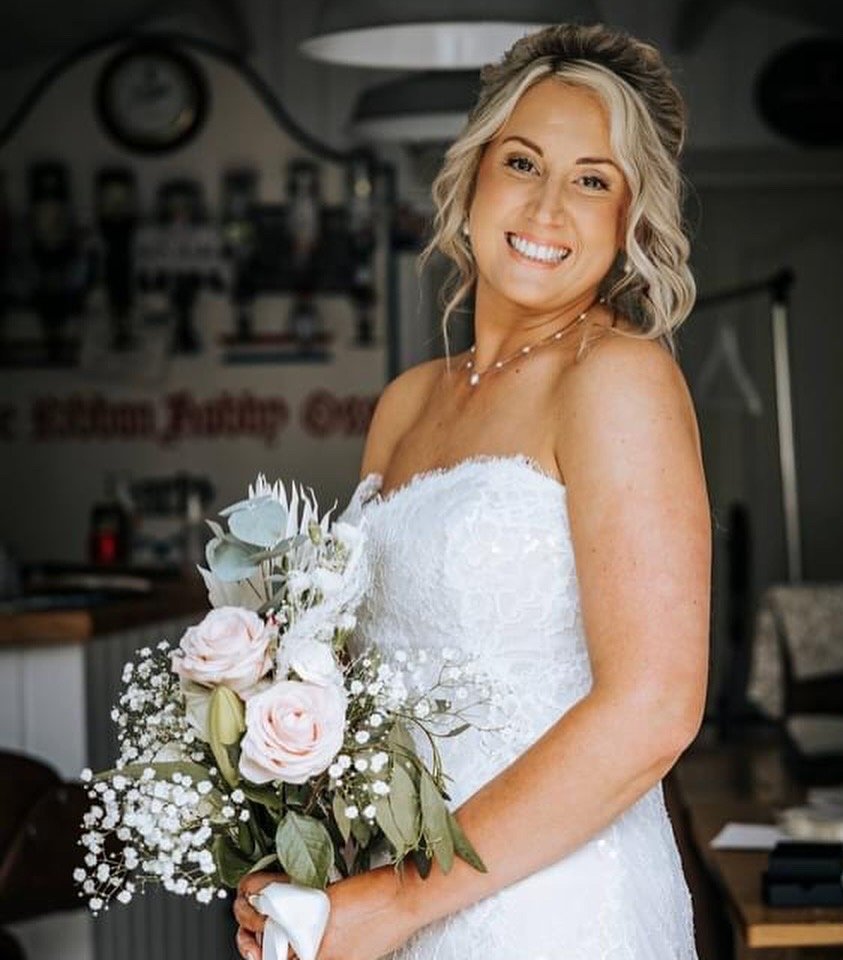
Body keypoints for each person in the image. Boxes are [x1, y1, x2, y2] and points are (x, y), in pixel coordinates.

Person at [235, 22, 711, 960]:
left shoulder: (617, 380)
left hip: (556, 905)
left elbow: (653, 709)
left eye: (591, 180)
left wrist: (398, 903)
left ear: (628, 221)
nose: (546, 208)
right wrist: (304, 861)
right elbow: (359, 683)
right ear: (473, 177)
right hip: (385, 900)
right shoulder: (408, 402)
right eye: (524, 162)